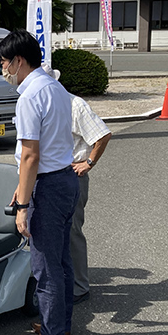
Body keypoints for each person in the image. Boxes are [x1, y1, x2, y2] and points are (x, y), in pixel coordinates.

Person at [0, 30, 79, 335]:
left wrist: (23, 206)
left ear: (18, 61)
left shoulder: (29, 96)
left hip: (47, 187)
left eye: (4, 62)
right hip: (65, 179)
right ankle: (60, 324)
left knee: (45, 266)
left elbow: (30, 155)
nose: (3, 69)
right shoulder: (56, 87)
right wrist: (23, 187)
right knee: (61, 261)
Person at [67, 94, 112, 304]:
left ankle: (79, 286)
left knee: (72, 230)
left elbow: (102, 134)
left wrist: (89, 162)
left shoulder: (75, 105)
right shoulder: (40, 102)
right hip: (49, 175)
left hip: (72, 173)